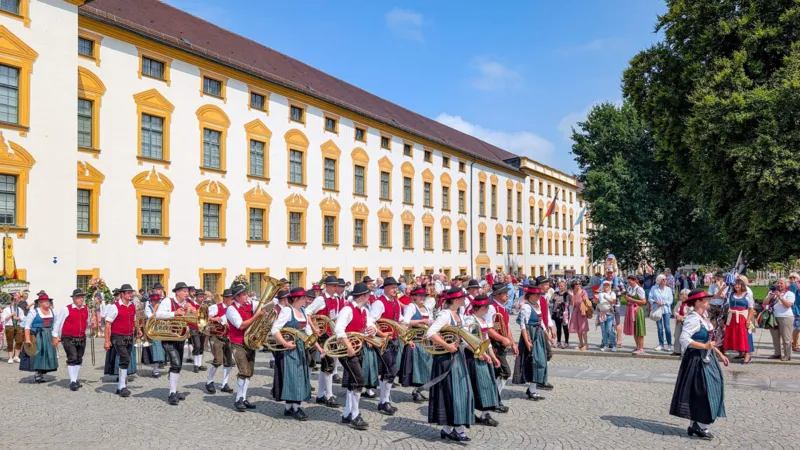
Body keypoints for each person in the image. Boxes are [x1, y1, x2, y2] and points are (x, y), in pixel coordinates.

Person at [669, 289, 727, 440]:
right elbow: (684, 339)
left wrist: (720, 354)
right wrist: (704, 347)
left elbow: (708, 341)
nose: (708, 301)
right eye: (705, 299)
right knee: (703, 391)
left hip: (706, 358)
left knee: (706, 389)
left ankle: (695, 424)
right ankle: (701, 427)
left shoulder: (704, 317)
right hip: (696, 359)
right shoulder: (693, 318)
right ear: (697, 302)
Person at [425, 287, 474, 442]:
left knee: (459, 391)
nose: (465, 300)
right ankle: (457, 430)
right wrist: (447, 346)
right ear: (455, 300)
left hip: (457, 355)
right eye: (462, 298)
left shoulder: (459, 315)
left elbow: (463, 337)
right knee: (453, 392)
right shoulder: (445, 314)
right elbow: (430, 333)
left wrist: (477, 349)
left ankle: (447, 429)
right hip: (445, 359)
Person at [270, 287, 321, 420]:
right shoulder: (287, 311)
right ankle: (296, 408)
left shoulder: (303, 311)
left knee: (298, 375)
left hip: (300, 347)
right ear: (297, 299)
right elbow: (275, 329)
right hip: (289, 348)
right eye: (304, 298)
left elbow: (308, 332)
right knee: (293, 376)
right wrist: (285, 343)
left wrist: (320, 348)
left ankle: (289, 407)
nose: (306, 300)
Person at [334, 282, 374, 430]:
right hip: (346, 350)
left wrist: (372, 329)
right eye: (368, 295)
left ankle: (346, 414)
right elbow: (338, 329)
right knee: (359, 380)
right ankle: (355, 415)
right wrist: (349, 345)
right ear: (363, 296)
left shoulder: (364, 310)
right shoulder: (347, 309)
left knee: (353, 381)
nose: (370, 297)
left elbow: (370, 325)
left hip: (359, 348)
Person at [156, 282, 197, 405]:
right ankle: (171, 394)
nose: (187, 293)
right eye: (184, 291)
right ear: (178, 292)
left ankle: (173, 390)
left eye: (187, 291)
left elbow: (192, 318)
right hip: (168, 337)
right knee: (176, 363)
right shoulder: (167, 301)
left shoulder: (186, 303)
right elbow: (158, 314)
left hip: (180, 337)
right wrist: (175, 313)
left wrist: (192, 311)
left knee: (178, 366)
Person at [463, 294, 501, 426]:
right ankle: (473, 413)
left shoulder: (483, 320)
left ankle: (484, 414)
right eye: (487, 306)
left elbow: (487, 341)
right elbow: (465, 340)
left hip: (484, 355)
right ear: (483, 307)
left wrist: (494, 357)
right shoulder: (470, 320)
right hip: (473, 357)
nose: (489, 308)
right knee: (476, 385)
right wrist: (477, 352)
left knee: (487, 384)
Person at [226, 284, 266, 411]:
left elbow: (265, 305)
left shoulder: (250, 305)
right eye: (243, 294)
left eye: (246, 294)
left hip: (250, 342)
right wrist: (257, 316)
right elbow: (241, 326)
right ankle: (238, 399)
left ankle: (243, 397)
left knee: (249, 372)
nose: (246, 296)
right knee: (244, 370)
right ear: (236, 297)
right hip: (238, 343)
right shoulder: (231, 310)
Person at [305, 275, 342, 408]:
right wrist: (314, 328)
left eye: (336, 286)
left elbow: (335, 316)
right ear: (326, 286)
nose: (336, 288)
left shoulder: (337, 299)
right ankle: (329, 395)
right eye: (333, 286)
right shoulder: (321, 299)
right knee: (329, 365)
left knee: (326, 366)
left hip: (331, 334)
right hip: (322, 335)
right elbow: (307, 313)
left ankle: (321, 395)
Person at [368, 276, 402, 415]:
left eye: (396, 287)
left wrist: (403, 325)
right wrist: (381, 334)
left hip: (394, 340)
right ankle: (384, 401)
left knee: (388, 371)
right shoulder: (379, 303)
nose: (396, 290)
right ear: (386, 288)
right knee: (390, 370)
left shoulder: (396, 302)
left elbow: (399, 319)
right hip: (383, 341)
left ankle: (384, 400)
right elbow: (370, 321)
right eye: (393, 287)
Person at [513, 286, 554, 399]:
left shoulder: (537, 305)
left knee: (541, 361)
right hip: (531, 336)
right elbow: (523, 325)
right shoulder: (526, 307)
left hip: (539, 335)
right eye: (536, 295)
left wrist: (548, 336)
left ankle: (532, 389)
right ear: (529, 295)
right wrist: (527, 341)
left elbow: (541, 324)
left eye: (539, 295)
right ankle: (532, 391)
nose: (538, 297)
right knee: (534, 362)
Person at [485, 282, 517, 412]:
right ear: (497, 295)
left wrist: (513, 342)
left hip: (501, 345)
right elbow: (488, 329)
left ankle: (494, 399)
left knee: (499, 373)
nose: (508, 295)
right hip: (494, 345)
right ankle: (494, 400)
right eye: (505, 293)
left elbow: (506, 327)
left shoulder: (503, 308)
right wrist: (502, 339)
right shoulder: (492, 308)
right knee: (504, 372)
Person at [52, 289, 92, 391]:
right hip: (68, 336)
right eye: (79, 297)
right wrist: (55, 336)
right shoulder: (66, 309)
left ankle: (75, 378)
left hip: (81, 336)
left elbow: (86, 321)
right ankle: (73, 381)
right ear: (74, 298)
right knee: (72, 357)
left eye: (82, 297)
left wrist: (91, 325)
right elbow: (58, 322)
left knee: (79, 358)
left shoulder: (86, 309)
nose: (81, 299)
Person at [103, 284, 139, 396]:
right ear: (122, 294)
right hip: (117, 336)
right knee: (125, 358)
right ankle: (122, 386)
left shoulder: (132, 306)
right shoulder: (115, 307)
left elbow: (134, 320)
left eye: (131, 292)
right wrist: (107, 340)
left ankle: (120, 386)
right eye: (128, 293)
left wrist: (138, 330)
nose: (130, 294)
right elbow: (108, 324)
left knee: (125, 360)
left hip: (129, 335)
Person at [398, 286, 433, 401]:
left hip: (425, 340)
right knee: (416, 368)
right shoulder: (411, 307)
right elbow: (405, 321)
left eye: (424, 296)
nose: (422, 298)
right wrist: (421, 321)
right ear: (414, 297)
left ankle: (419, 390)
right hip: (415, 340)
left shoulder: (427, 308)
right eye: (419, 295)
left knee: (426, 367)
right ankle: (416, 391)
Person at [20, 294, 58, 383]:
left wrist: (56, 336)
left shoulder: (53, 312)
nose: (47, 302)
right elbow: (27, 326)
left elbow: (56, 324)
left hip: (49, 335)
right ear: (40, 303)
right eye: (45, 301)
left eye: (48, 301)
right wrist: (28, 339)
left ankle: (42, 372)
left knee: (47, 354)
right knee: (38, 353)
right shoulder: (34, 312)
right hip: (38, 335)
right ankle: (37, 373)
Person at [206, 288, 234, 394]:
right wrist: (213, 319)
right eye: (231, 298)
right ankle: (209, 381)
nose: (233, 301)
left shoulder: (233, 309)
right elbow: (203, 318)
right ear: (226, 299)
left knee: (228, 362)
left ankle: (224, 384)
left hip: (228, 337)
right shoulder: (215, 307)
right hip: (216, 336)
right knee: (218, 360)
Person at [722, 275, 754, 364]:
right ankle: (741, 352)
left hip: (742, 317)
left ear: (742, 285)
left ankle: (747, 354)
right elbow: (720, 296)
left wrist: (748, 320)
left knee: (745, 335)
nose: (737, 286)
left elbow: (751, 309)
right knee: (736, 335)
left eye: (739, 285)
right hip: (732, 317)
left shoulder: (747, 295)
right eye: (735, 285)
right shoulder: (731, 294)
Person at [766, 279, 795, 361]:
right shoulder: (772, 292)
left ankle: (787, 355)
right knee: (775, 337)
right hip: (774, 317)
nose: (779, 284)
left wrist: (780, 297)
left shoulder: (790, 294)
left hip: (786, 317)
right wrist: (769, 297)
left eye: (781, 283)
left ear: (786, 285)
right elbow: (765, 302)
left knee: (786, 337)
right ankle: (777, 353)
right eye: (778, 283)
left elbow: (788, 305)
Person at [142, 292, 165, 378]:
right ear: (151, 301)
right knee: (155, 349)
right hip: (152, 330)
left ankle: (159, 366)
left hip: (161, 329)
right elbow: (151, 317)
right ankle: (155, 370)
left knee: (161, 348)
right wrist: (155, 309)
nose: (156, 302)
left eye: (158, 300)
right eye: (154, 301)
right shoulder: (148, 308)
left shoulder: (162, 307)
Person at [649, 275, 674, 352]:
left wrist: (664, 303)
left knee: (667, 328)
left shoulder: (668, 289)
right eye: (664, 279)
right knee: (659, 328)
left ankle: (669, 344)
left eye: (666, 279)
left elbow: (671, 299)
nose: (665, 280)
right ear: (659, 280)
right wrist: (656, 302)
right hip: (657, 310)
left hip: (666, 310)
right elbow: (650, 298)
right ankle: (661, 344)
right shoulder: (654, 288)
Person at [623, 275, 647, 355]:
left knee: (639, 329)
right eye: (628, 282)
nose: (629, 283)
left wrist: (632, 299)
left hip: (638, 310)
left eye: (630, 282)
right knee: (634, 329)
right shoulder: (630, 288)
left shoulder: (639, 289)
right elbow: (628, 300)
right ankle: (637, 347)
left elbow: (643, 302)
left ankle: (641, 348)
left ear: (635, 281)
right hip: (631, 309)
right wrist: (626, 298)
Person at [707, 271, 728, 349]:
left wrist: (720, 287)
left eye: (720, 277)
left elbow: (724, 296)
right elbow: (711, 296)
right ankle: (713, 343)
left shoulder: (726, 286)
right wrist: (718, 295)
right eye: (717, 276)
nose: (718, 278)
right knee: (713, 325)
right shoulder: (712, 286)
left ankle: (721, 345)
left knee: (722, 325)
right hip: (713, 306)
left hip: (722, 306)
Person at [567, 280, 589, 350]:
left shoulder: (583, 291)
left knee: (583, 328)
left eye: (580, 283)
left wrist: (584, 298)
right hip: (575, 311)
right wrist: (572, 296)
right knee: (577, 328)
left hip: (582, 311)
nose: (579, 284)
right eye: (577, 284)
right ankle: (581, 343)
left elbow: (586, 300)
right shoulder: (572, 292)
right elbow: (572, 304)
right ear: (574, 285)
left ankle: (586, 344)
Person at [2, 293, 24, 363]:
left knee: (19, 341)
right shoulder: (6, 309)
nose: (16, 302)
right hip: (9, 326)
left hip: (18, 326)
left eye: (17, 301)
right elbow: (3, 319)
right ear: (12, 301)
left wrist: (18, 318)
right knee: (10, 341)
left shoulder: (19, 309)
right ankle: (10, 357)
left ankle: (16, 356)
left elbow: (23, 319)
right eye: (15, 300)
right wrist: (11, 315)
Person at [595, 280, 617, 352]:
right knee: (603, 330)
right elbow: (597, 302)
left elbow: (613, 301)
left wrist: (606, 298)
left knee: (610, 330)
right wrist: (596, 300)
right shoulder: (600, 293)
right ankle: (605, 345)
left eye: (607, 285)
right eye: (605, 285)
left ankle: (614, 345)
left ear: (610, 286)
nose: (606, 287)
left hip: (609, 313)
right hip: (602, 313)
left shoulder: (612, 293)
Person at [550, 281, 570, 349]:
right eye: (559, 286)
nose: (560, 287)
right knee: (558, 328)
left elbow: (567, 302)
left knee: (565, 328)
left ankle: (566, 342)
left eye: (562, 286)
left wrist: (561, 303)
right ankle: (559, 342)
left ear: (565, 286)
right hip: (556, 312)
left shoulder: (566, 294)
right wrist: (554, 299)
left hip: (564, 313)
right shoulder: (555, 293)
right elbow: (550, 301)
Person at [672, 289, 690, 356]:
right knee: (677, 335)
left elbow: (690, 313)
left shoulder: (690, 304)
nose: (680, 295)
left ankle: (685, 351)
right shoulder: (679, 302)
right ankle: (677, 351)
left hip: (686, 322)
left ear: (686, 296)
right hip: (678, 321)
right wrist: (677, 315)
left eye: (681, 294)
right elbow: (675, 310)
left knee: (685, 337)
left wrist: (683, 318)